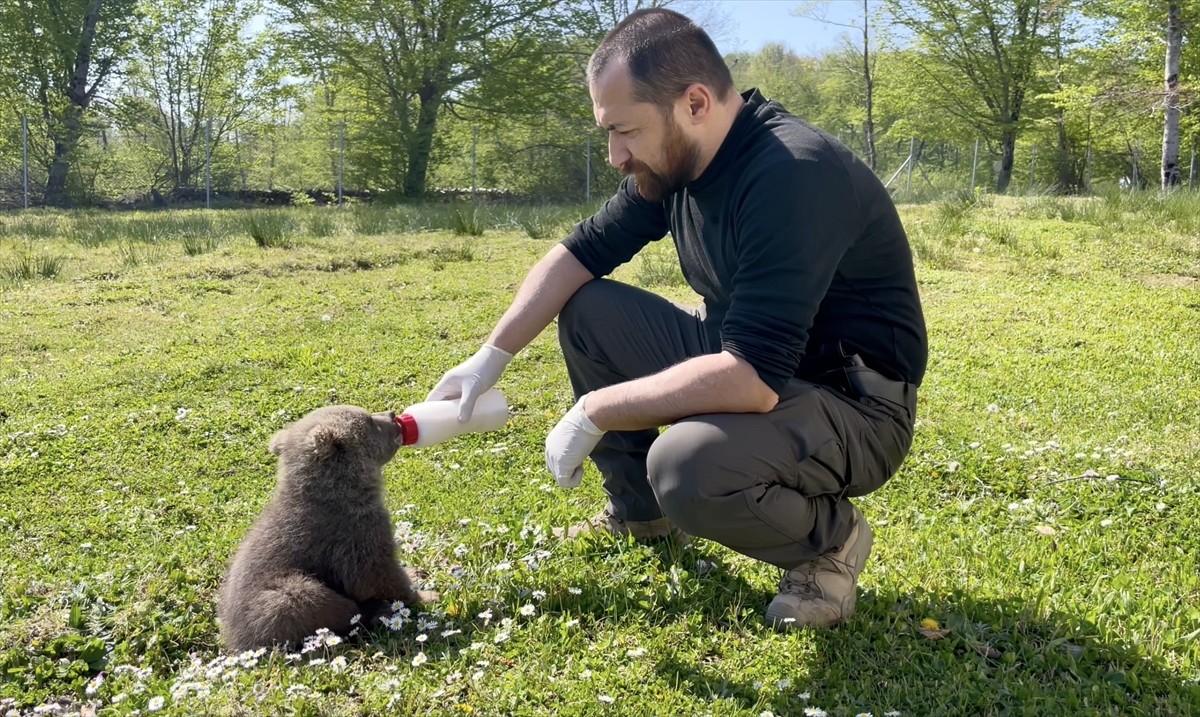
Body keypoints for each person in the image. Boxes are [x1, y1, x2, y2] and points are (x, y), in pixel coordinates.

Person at [425, 7, 927, 630]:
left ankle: (830, 542)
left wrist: (594, 411)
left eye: (626, 130)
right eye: (607, 132)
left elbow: (751, 379)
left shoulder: (792, 174)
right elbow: (579, 253)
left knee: (689, 466)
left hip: (849, 404)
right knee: (588, 310)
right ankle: (641, 516)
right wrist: (491, 356)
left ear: (694, 104)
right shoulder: (679, 162)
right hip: (747, 356)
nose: (614, 155)